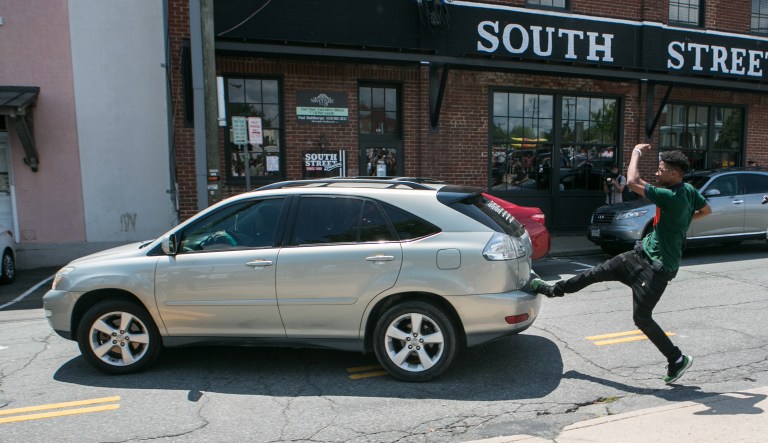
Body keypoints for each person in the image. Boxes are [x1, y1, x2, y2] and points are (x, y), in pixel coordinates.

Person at [530, 144, 712, 384]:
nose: (657, 173)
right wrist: (683, 220)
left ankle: (676, 359)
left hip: (657, 269)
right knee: (595, 272)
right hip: (638, 255)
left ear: (674, 173)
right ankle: (553, 290)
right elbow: (706, 210)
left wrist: (635, 152)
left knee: (642, 318)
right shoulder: (688, 190)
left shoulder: (672, 196)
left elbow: (633, 181)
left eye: (661, 170)